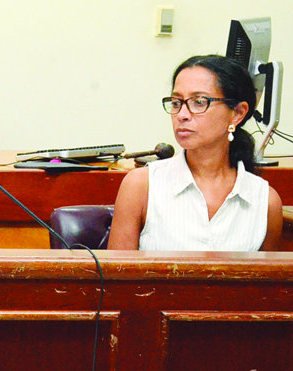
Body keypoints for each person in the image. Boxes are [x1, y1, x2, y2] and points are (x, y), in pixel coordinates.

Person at [108, 55, 282, 251]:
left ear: (237, 113)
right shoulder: (141, 186)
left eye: (199, 102)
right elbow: (116, 279)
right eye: (176, 102)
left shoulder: (265, 201)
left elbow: (265, 281)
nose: (182, 115)